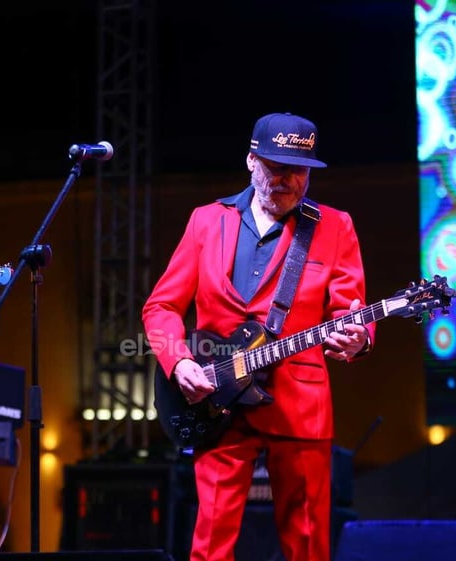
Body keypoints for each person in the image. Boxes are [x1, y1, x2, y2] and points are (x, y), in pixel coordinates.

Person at [142, 112, 375, 561]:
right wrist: (180, 362)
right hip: (218, 401)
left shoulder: (334, 226)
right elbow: (162, 306)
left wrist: (359, 337)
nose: (288, 180)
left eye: (299, 171)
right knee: (209, 546)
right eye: (276, 167)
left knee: (308, 545)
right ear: (251, 161)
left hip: (299, 408)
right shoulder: (207, 221)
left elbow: (352, 310)